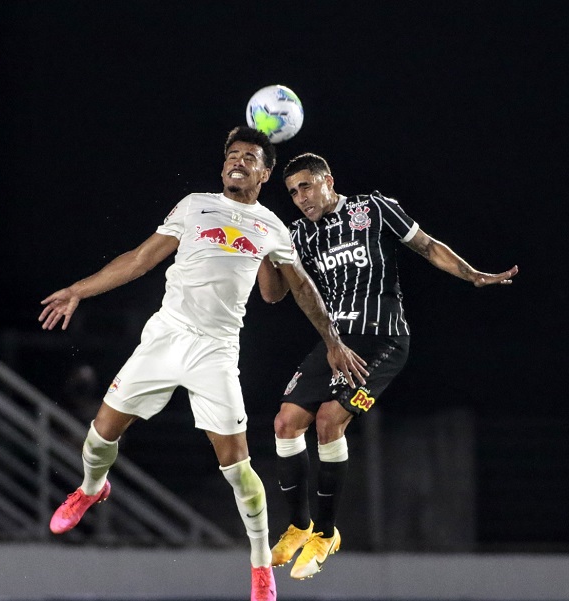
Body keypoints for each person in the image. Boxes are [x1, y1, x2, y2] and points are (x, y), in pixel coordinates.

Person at [38, 127, 367, 601]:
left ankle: (259, 570)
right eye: (232, 154)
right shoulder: (195, 205)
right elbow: (139, 259)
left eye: (249, 156)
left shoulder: (272, 225)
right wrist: (78, 291)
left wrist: (332, 339)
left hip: (215, 351)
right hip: (166, 336)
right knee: (101, 433)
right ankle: (92, 488)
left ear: (266, 173)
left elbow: (284, 292)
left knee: (237, 467)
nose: (237, 161)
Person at [254, 152, 518, 579]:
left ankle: (325, 533)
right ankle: (299, 525)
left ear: (328, 181)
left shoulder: (373, 209)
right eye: (292, 192)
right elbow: (271, 295)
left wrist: (471, 274)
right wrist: (268, 245)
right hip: (335, 342)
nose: (300, 198)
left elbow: (428, 246)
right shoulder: (300, 234)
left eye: (306, 186)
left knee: (328, 421)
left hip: (385, 341)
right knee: (285, 423)